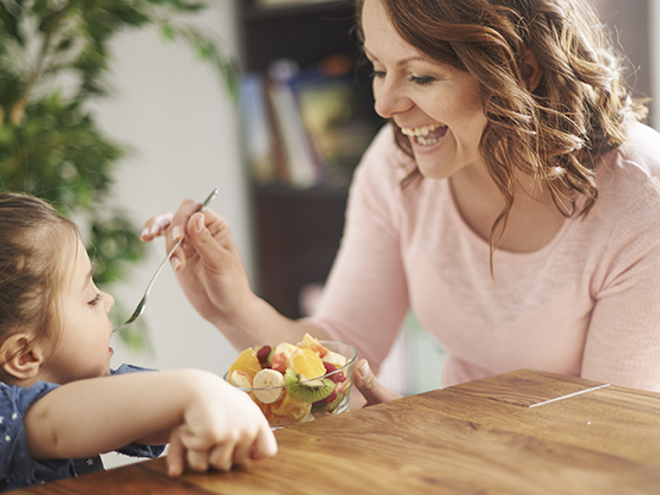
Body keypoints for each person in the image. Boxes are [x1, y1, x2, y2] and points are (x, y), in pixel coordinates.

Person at [142, 0, 660, 401]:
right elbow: (343, 353)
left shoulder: (640, 200)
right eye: (376, 67)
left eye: (421, 76)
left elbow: (613, 440)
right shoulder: (398, 167)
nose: (384, 104)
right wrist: (232, 304)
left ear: (523, 71)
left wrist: (428, 434)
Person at [0, 193, 276, 492]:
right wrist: (197, 389)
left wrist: (200, 416)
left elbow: (146, 416)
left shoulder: (87, 392)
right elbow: (54, 423)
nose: (108, 299)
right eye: (91, 298)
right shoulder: (10, 416)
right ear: (25, 355)